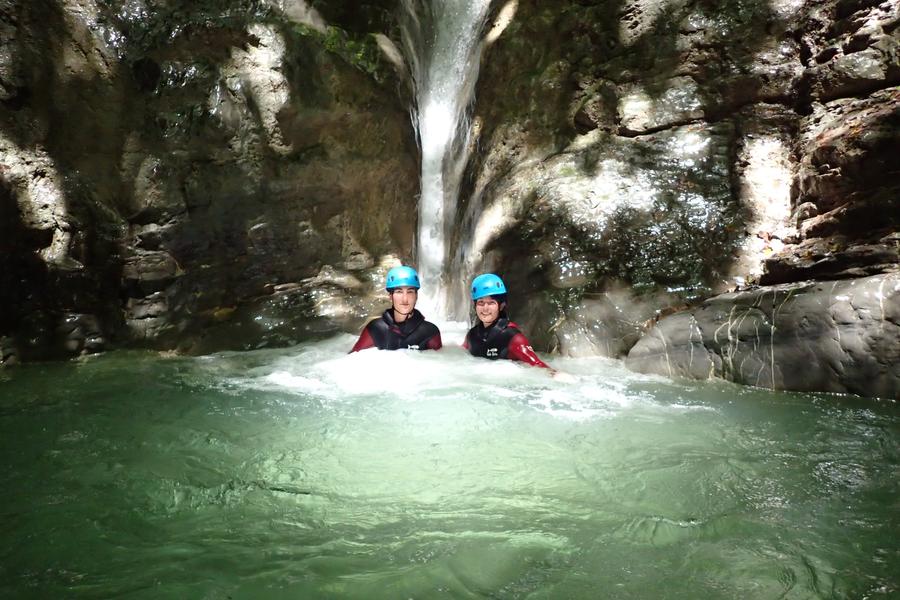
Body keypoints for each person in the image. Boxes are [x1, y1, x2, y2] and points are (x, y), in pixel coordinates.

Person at [463, 273, 553, 370]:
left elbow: (538, 365)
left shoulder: (512, 337)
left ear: (501, 306)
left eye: (491, 303)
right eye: (481, 302)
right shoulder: (472, 335)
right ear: (475, 306)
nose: (485, 308)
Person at [350, 266, 442, 352]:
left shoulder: (430, 332)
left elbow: (442, 365)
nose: (405, 299)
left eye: (410, 292)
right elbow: (351, 360)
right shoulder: (376, 328)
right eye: (399, 292)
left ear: (416, 296)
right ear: (390, 296)